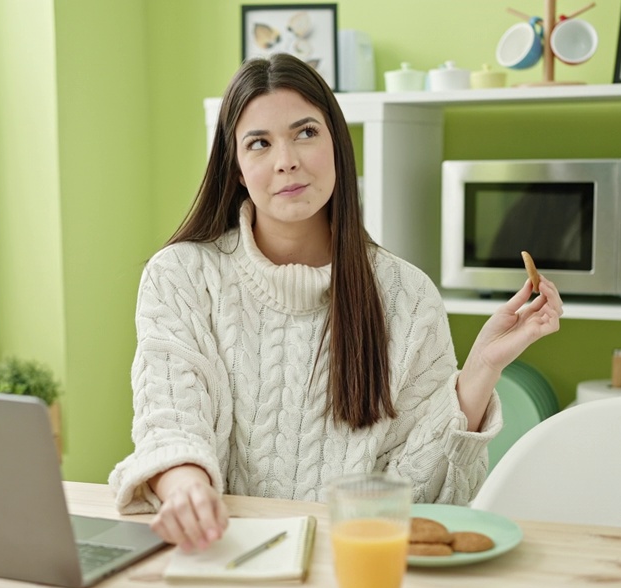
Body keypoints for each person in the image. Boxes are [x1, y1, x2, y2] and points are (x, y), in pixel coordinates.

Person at [108, 54, 562, 550]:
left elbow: (428, 499)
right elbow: (171, 419)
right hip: (225, 556)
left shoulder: (407, 297)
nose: (287, 160)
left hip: (357, 565)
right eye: (259, 143)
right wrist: (187, 489)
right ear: (236, 168)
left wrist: (483, 367)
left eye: (305, 133)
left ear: (337, 146)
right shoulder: (181, 277)